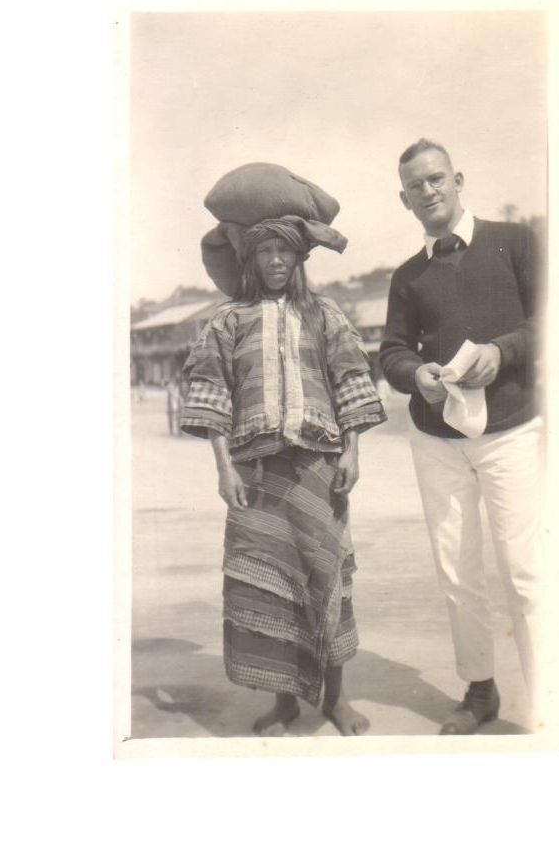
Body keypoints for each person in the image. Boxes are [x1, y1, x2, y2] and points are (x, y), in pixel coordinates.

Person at [180, 218, 386, 736]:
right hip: (256, 475)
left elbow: (350, 380)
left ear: (299, 259)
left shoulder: (324, 315)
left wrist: (352, 452)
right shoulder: (228, 320)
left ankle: (336, 699)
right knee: (268, 584)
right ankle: (285, 702)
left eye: (285, 251)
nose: (275, 260)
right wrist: (224, 469)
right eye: (265, 251)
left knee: (326, 575)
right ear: (251, 260)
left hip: (319, 468)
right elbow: (211, 393)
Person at [379, 139, 543, 734]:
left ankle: (550, 697)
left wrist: (504, 351)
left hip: (512, 430)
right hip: (436, 437)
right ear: (404, 200)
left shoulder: (514, 242)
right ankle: (479, 690)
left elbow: (554, 318)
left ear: (458, 180)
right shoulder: (407, 277)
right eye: (415, 186)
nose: (428, 191)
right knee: (457, 569)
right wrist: (413, 375)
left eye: (436, 178)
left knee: (526, 569)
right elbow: (392, 350)